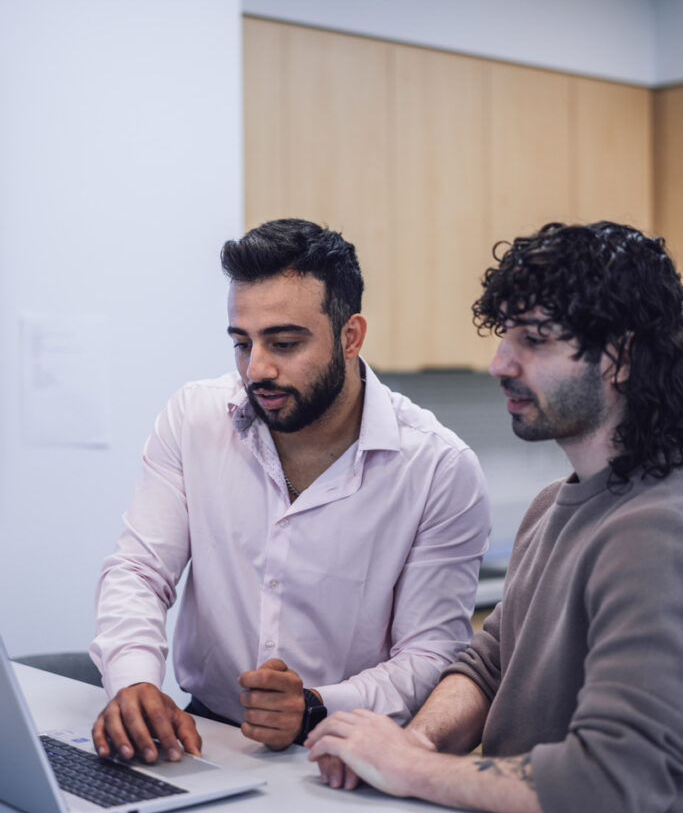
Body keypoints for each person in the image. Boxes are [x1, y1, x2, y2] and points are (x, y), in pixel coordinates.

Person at [306, 221, 683, 813]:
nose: (500, 362)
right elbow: (488, 666)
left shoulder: (655, 529)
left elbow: (611, 783)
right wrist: (410, 742)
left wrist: (413, 769)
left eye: (533, 339)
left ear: (619, 356)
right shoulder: (551, 507)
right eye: (505, 335)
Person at [90, 218, 490, 764]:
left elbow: (431, 654)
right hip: (208, 739)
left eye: (283, 342)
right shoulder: (194, 418)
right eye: (241, 343)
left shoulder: (439, 469)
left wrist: (316, 705)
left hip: (346, 753)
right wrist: (133, 680)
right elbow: (138, 571)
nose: (257, 369)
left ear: (350, 337)